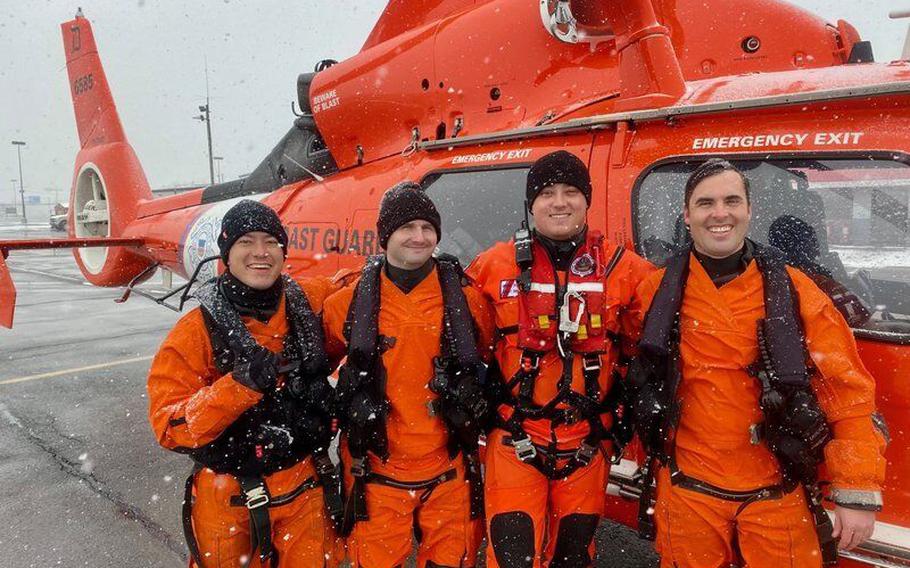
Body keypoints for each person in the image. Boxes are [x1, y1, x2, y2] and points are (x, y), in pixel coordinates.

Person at [631, 158, 887, 567]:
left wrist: (856, 492)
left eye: (732, 200)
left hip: (776, 491)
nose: (720, 213)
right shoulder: (653, 293)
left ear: (748, 210)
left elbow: (846, 392)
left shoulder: (795, 292)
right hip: (688, 490)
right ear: (687, 214)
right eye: (705, 202)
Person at [466, 150, 655, 567]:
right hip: (514, 437)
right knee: (512, 554)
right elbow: (460, 342)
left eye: (571, 192)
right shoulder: (492, 267)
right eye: (547, 193)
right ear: (531, 204)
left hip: (587, 442)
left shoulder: (627, 271)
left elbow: (654, 345)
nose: (560, 202)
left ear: (588, 201)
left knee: (574, 556)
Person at [147, 199, 340, 567]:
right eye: (246, 242)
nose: (260, 253)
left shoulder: (309, 300)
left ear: (284, 251)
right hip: (228, 497)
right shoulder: (196, 332)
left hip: (305, 487)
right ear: (226, 253)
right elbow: (168, 425)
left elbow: (363, 285)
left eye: (271, 241)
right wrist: (237, 388)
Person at [322, 182, 495, 568]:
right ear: (385, 237)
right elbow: (317, 363)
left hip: (448, 468)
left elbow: (490, 353)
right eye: (407, 228)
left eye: (427, 228)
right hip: (376, 470)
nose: (419, 237)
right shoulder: (344, 303)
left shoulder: (467, 300)